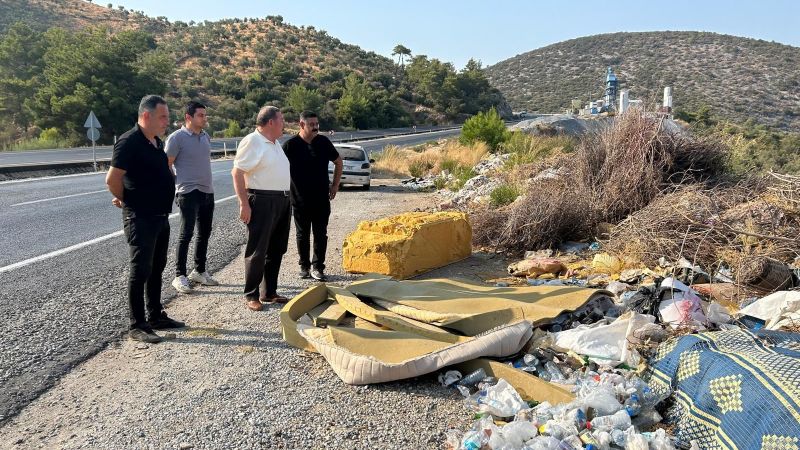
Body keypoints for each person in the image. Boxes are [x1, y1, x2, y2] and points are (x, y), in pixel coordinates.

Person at [106, 95, 185, 344]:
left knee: (157, 267)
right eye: (163, 117)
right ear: (146, 115)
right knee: (140, 270)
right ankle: (137, 324)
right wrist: (128, 200)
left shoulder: (156, 142)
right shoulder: (129, 141)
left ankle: (155, 315)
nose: (167, 122)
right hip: (140, 217)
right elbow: (112, 179)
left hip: (160, 217)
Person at [231, 106, 292, 312]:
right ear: (271, 122)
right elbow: (237, 173)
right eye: (281, 120)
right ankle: (252, 294)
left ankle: (269, 291)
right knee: (258, 250)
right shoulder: (253, 141)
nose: (284, 123)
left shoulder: (275, 143)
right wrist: (244, 203)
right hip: (262, 200)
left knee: (277, 248)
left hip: (282, 200)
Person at [282, 111, 342, 281]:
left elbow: (338, 162)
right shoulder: (290, 146)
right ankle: (304, 266)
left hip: (322, 199)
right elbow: (278, 168)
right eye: (312, 124)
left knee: (320, 234)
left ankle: (318, 267)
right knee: (302, 235)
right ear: (301, 125)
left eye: (317, 124)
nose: (316, 127)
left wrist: (335, 185)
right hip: (299, 200)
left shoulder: (323, 142)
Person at [165, 101, 218, 294]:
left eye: (205, 115)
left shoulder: (205, 137)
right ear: (189, 117)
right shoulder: (176, 138)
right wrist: (176, 185)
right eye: (201, 115)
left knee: (204, 233)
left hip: (207, 191)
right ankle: (179, 275)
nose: (205, 118)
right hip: (187, 192)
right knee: (186, 234)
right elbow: (167, 164)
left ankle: (199, 271)